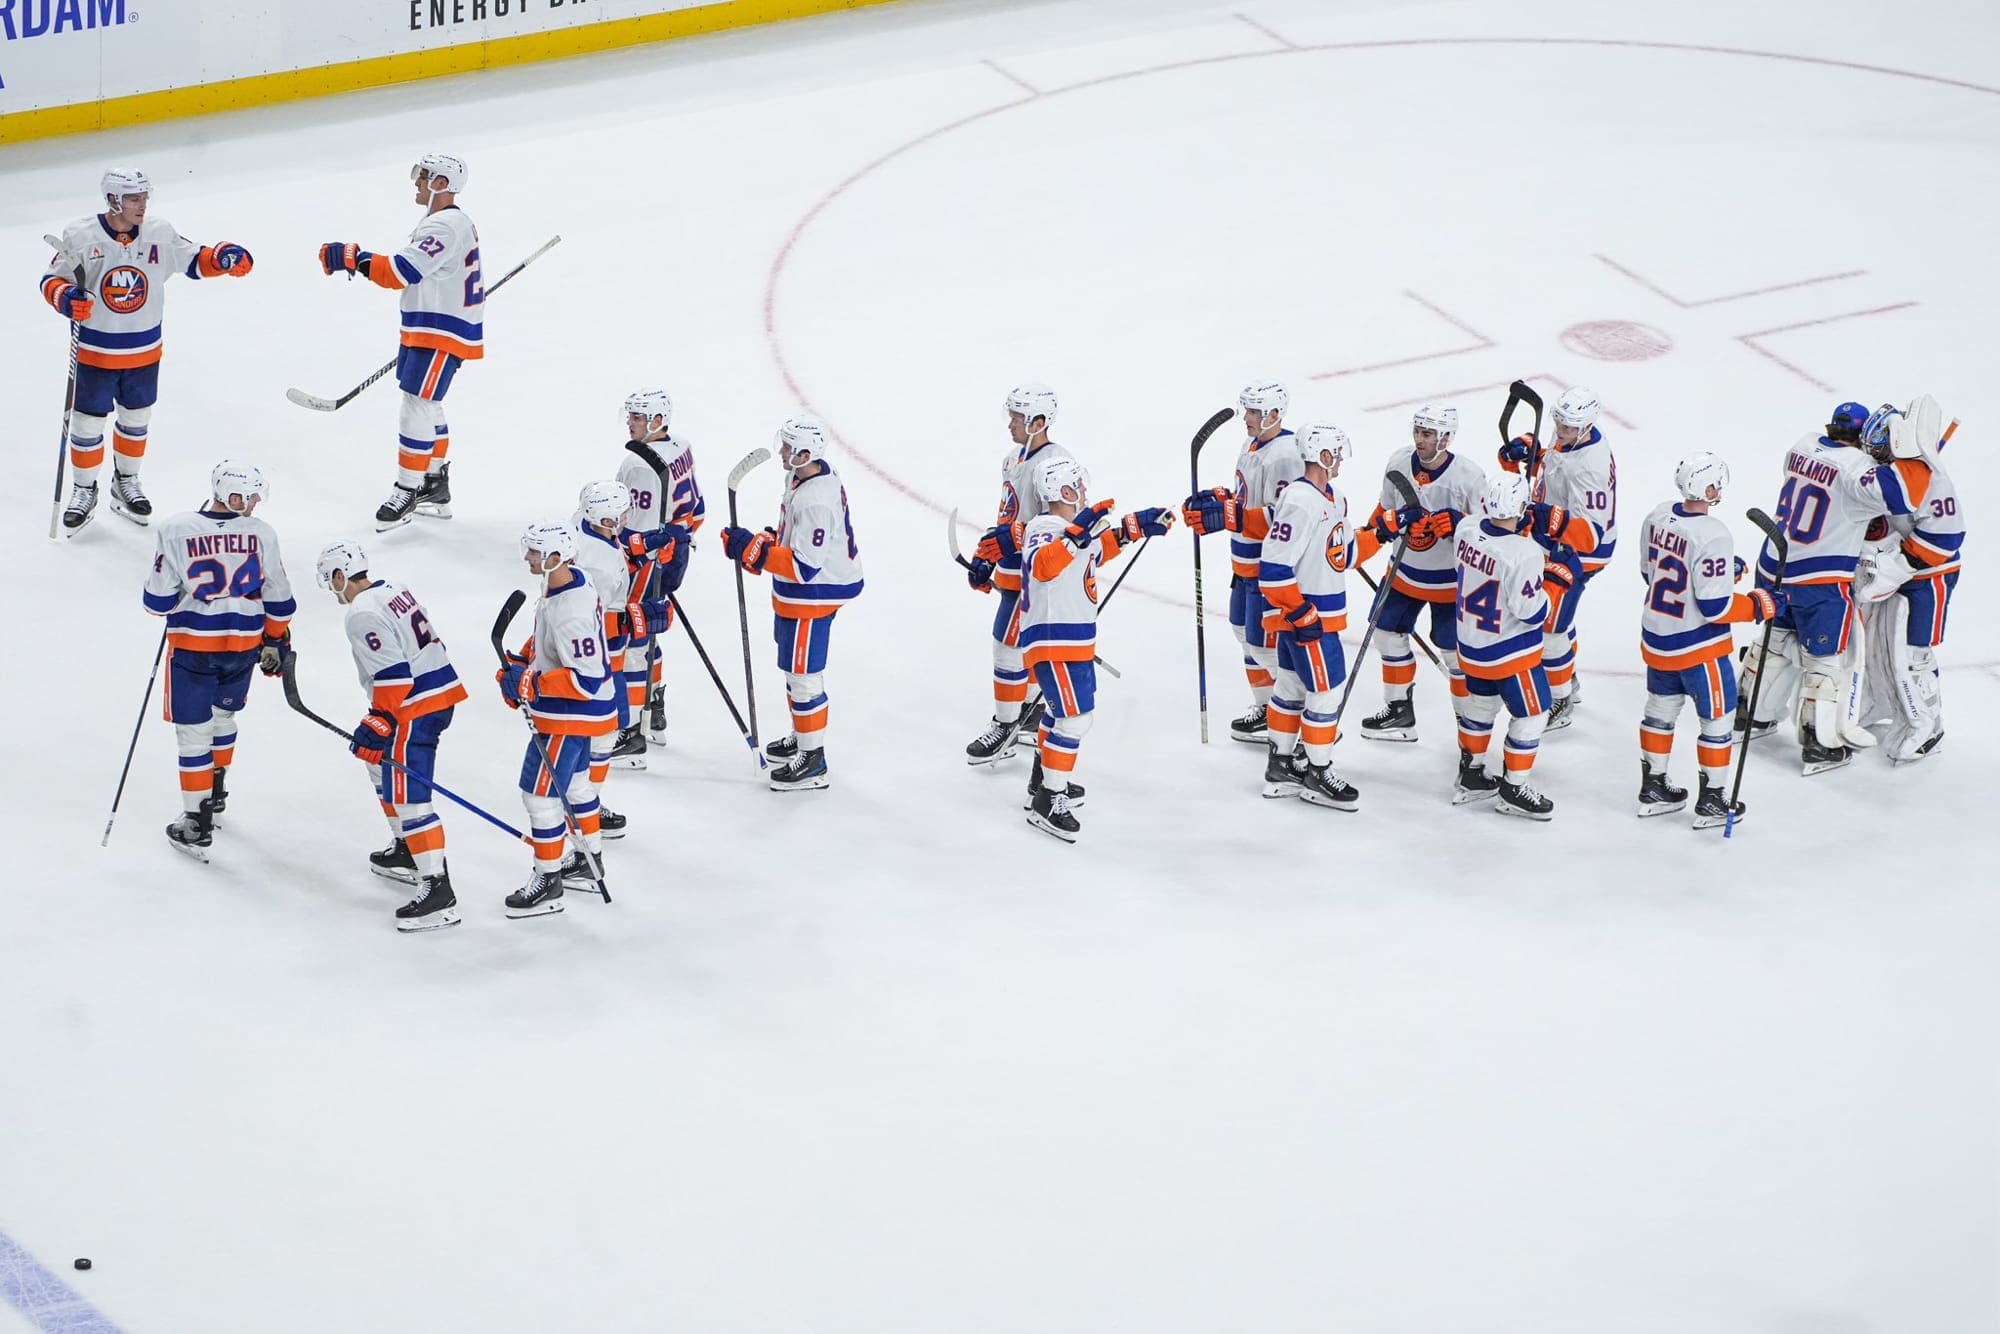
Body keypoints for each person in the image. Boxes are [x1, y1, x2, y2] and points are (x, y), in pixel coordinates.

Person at [44, 167, 253, 532]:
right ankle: (83, 488)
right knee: (87, 423)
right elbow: (52, 279)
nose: (142, 205)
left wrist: (223, 258)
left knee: (136, 421)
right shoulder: (81, 236)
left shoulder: (159, 233)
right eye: (133, 198)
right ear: (113, 200)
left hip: (143, 351)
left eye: (144, 197)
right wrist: (66, 298)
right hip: (96, 352)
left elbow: (194, 259)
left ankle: (125, 483)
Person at [1739, 401, 1929, 775]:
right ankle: (1820, 743)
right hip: (1819, 578)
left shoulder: (1802, 445)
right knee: (1827, 661)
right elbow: (1907, 495)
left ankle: (1750, 715)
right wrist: (1914, 450)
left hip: (1775, 564)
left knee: (1774, 641)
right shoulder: (1859, 472)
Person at [317, 153, 481, 532]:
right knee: (429, 403)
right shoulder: (446, 222)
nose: (417, 183)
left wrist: (352, 258)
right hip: (431, 324)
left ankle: (407, 489)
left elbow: (398, 273)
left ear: (441, 183)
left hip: (441, 329)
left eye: (423, 177)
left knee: (417, 404)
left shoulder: (444, 226)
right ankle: (434, 483)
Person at [1016, 455, 1174, 840]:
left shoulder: (1071, 531)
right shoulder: (1045, 525)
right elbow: (1043, 566)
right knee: (1074, 719)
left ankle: (1044, 780)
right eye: (1079, 487)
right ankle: (1048, 799)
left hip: (1074, 639)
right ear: (1065, 491)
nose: (1084, 492)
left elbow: (1096, 551)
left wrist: (1135, 527)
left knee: (1062, 716)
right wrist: (1076, 534)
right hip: (1053, 639)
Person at [142, 461, 294, 859]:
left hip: (194, 648)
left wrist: (180, 594)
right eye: (250, 495)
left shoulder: (176, 528)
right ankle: (216, 787)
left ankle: (197, 818)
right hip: (243, 646)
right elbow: (279, 597)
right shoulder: (261, 534)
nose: (256, 502)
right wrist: (275, 641)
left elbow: (155, 601)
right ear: (229, 492)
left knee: (193, 734)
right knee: (224, 718)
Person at [316, 540, 469, 929]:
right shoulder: (395, 589)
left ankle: (437, 891)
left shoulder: (360, 613)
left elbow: (394, 675)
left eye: (329, 580)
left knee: (410, 796)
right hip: (436, 694)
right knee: (378, 768)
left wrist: (381, 718)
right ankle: (407, 849)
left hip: (414, 705)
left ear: (339, 576)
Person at [1634, 454, 1782, 827]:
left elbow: (1650, 572)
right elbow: (1714, 606)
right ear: (1710, 489)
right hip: (1699, 648)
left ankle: (1653, 787)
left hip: (1657, 637)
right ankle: (1714, 800)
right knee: (1718, 720)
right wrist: (1757, 604)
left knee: (1659, 712)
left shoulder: (1656, 515)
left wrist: (1719, 573)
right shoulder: (1714, 533)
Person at [721, 416, 864, 791]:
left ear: (806, 453)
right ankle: (802, 737)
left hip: (813, 596)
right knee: (793, 671)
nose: (782, 452)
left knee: (803, 677)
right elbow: (792, 537)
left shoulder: (817, 500)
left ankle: (813, 760)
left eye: (788, 447)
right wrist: (762, 542)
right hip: (799, 593)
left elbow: (805, 565)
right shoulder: (803, 477)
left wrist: (755, 551)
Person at [1254, 423, 1384, 809]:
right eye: (1337, 454)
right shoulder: (1300, 500)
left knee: (1291, 689)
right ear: (1323, 456)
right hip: (1309, 622)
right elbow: (1273, 568)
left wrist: (1385, 531)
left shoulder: (1335, 498)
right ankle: (1316, 772)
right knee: (1325, 696)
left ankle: (1280, 767)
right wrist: (1301, 613)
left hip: (1314, 618)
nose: (1340, 460)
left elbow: (1342, 555)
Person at [496, 522, 617, 917]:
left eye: (533, 552)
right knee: (579, 788)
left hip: (570, 717)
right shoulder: (569, 583)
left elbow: (585, 678)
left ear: (553, 557)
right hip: (583, 715)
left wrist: (530, 682)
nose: (527, 558)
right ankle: (587, 861)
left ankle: (548, 881)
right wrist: (524, 659)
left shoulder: (571, 612)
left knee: (540, 795)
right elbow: (552, 644)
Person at [1181, 381, 1306, 745]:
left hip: (1268, 567)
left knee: (1265, 646)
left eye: (1254, 412)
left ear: (1273, 414)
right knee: (1244, 635)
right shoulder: (1253, 443)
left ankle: (1293, 710)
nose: (1246, 419)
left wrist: (1230, 516)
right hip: (1243, 563)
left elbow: (1285, 516)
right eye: (1247, 411)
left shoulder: (1286, 454)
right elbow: (1248, 497)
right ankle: (1266, 708)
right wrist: (1221, 499)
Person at [1355, 404, 1484, 743]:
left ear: (1446, 437)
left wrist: (1462, 525)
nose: (1419, 439)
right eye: (1417, 431)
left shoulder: (1468, 477)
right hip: (1404, 573)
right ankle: (1399, 711)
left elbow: (1490, 532)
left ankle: (1469, 726)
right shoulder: (1399, 462)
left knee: (1455, 654)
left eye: (1427, 434)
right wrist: (1368, 537)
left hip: (1451, 582)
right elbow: (1384, 509)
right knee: (1385, 633)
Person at [1450, 473, 1574, 820]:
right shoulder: (1525, 553)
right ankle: (1514, 788)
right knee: (1533, 714)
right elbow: (1531, 613)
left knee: (1479, 707)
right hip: (1511, 654)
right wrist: (1552, 584)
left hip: (1471, 646)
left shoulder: (1466, 529)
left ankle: (1471, 773)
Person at [964, 382, 1073, 765]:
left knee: (1007, 647)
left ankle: (1006, 725)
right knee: (1017, 646)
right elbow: (1007, 517)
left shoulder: (1057, 462)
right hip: (1014, 569)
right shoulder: (1013, 459)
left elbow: (1066, 523)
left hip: (1037, 576)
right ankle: (1027, 715)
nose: (1009, 424)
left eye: (1017, 418)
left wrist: (1015, 537)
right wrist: (988, 555)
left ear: (1039, 422)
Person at [1497, 386, 1615, 730]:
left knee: (1550, 628)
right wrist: (1534, 452)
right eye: (1558, 423)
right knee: (1558, 620)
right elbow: (1557, 463)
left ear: (1587, 425)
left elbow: (1590, 535)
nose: (1561, 431)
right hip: (1553, 542)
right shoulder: (1576, 436)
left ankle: (1560, 699)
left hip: (1578, 553)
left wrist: (1549, 517)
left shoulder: (1590, 467)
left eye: (1568, 427)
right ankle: (1568, 675)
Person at [1853, 396, 1958, 763]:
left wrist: (1898, 564)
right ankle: (1881, 702)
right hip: (1890, 572)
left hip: (1929, 577)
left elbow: (1946, 538)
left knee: (1913, 655)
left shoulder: (1932, 479)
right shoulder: (1892, 473)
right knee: (1873, 644)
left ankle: (1928, 725)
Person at [616, 388, 705, 748]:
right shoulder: (681, 446)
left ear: (657, 420)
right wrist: (678, 542)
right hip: (676, 551)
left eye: (637, 417)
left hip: (647, 560)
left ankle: (633, 732)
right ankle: (654, 710)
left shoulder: (638, 464)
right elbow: (697, 508)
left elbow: (632, 531)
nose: (630, 422)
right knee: (649, 630)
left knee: (634, 638)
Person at [572, 481, 645, 839]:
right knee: (601, 737)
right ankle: (584, 805)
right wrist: (638, 617)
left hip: (597, 658)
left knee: (599, 735)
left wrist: (638, 548)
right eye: (619, 515)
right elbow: (594, 622)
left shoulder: (587, 530)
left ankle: (584, 800)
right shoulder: (599, 564)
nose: (625, 519)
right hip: (596, 662)